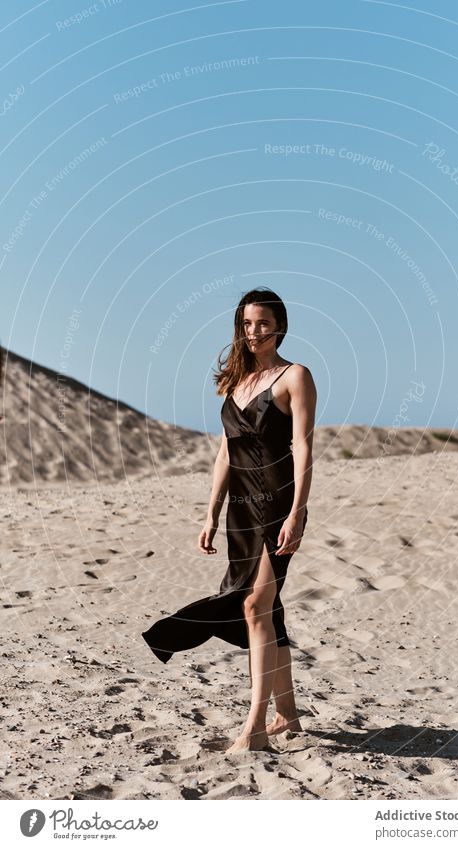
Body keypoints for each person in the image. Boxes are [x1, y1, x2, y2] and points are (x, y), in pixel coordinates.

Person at [141, 288, 316, 753]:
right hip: (240, 507)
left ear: (279, 325)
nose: (254, 331)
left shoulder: (295, 376)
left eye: (262, 323)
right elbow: (225, 452)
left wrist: (298, 511)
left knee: (255, 608)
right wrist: (210, 514)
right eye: (246, 324)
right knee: (266, 609)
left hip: (277, 504)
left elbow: (303, 447)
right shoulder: (235, 383)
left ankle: (255, 727)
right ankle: (289, 714)